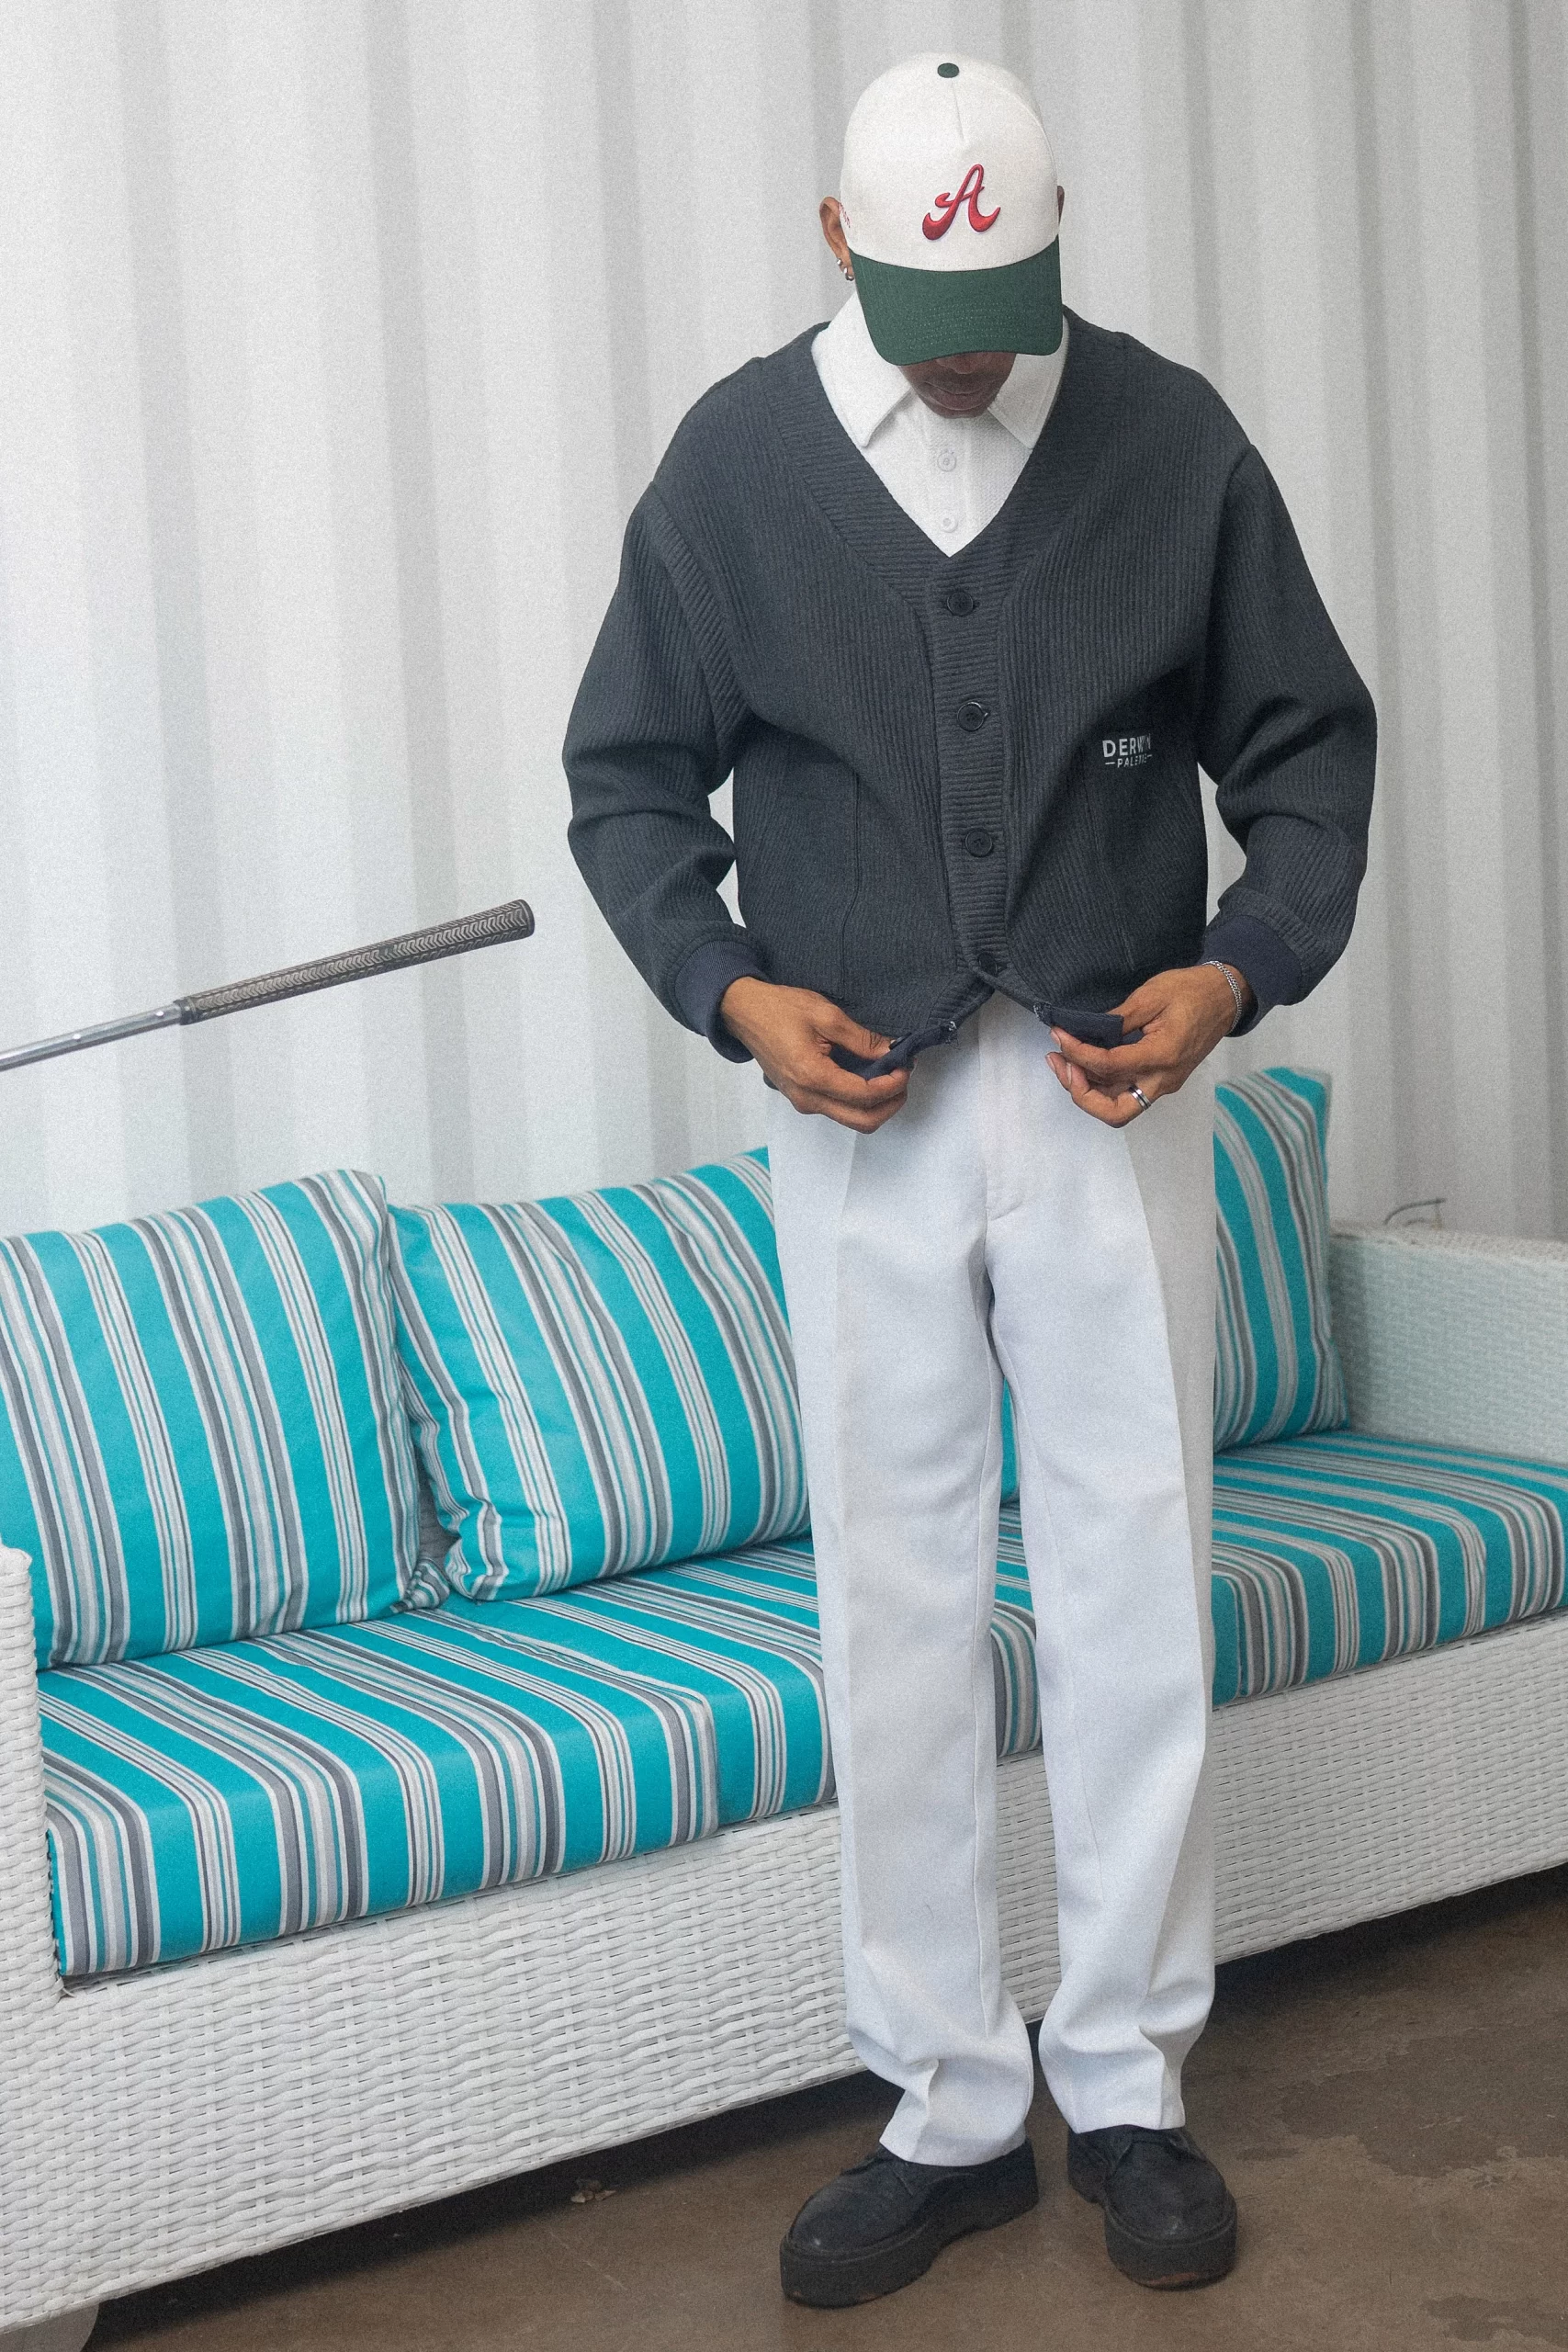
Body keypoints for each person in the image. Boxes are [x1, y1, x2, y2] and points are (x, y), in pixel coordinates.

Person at [565, 51, 1374, 2307]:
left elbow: (1306, 744)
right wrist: (728, 988)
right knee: (892, 1603)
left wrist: (1237, 965)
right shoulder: (734, 471)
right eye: (928, 314)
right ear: (833, 242)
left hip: (1118, 1098)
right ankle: (940, 2098)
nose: (970, 359)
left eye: (1003, 308)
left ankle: (1124, 2079)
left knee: (1134, 1578)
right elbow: (626, 778)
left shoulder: (1169, 440)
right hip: (860, 1116)